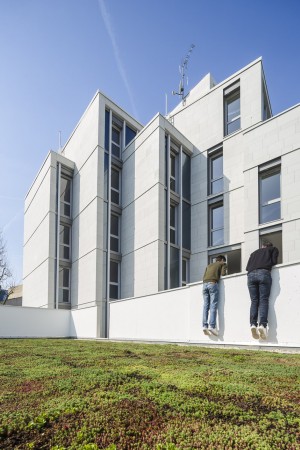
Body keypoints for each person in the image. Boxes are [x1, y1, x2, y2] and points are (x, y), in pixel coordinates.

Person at [246, 239, 279, 340]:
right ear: (269, 246)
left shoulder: (253, 253)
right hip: (264, 273)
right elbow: (274, 262)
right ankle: (263, 325)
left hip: (250, 275)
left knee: (254, 301)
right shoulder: (273, 249)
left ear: (262, 246)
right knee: (264, 300)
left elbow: (247, 267)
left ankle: (253, 324)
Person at [202, 255, 227, 336]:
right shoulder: (222, 264)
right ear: (222, 260)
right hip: (213, 283)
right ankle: (212, 326)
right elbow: (223, 274)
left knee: (206, 306)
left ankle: (204, 326)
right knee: (213, 305)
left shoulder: (208, 266)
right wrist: (224, 267)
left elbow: (204, 277)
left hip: (204, 285)